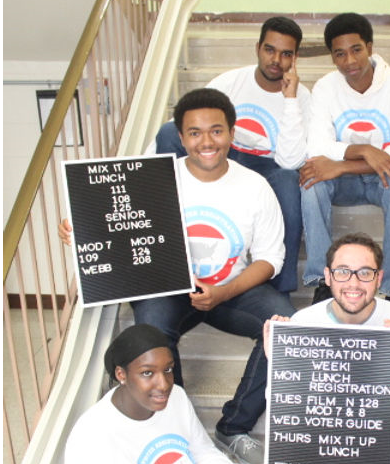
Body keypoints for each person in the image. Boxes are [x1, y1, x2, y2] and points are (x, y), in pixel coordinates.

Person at [60, 88, 295, 464]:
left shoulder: (255, 186)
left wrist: (222, 292)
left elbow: (271, 259)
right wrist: (83, 231)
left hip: (228, 289)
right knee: (150, 327)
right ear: (182, 137)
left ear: (231, 134)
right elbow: (117, 229)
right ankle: (172, 422)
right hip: (169, 288)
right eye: (195, 133)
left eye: (216, 131)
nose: (207, 141)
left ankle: (233, 427)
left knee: (285, 326)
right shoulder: (153, 181)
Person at [150, 16, 310, 297]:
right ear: (258, 47)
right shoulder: (231, 81)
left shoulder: (302, 97)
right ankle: (161, 222)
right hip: (227, 150)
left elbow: (291, 160)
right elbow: (192, 122)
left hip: (269, 164)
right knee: (166, 131)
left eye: (286, 54)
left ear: (295, 58)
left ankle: (279, 287)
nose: (276, 60)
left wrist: (290, 99)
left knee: (288, 181)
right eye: (270, 50)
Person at [264, 233, 390, 463]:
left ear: (379, 278)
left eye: (365, 273)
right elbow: (287, 413)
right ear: (327, 276)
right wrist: (279, 366)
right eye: (342, 272)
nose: (353, 283)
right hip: (312, 454)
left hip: (376, 455)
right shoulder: (303, 323)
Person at [299, 13, 390, 308]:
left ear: (370, 47)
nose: (349, 61)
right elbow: (317, 146)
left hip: (384, 178)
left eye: (356, 50)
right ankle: (321, 280)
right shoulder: (326, 87)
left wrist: (341, 163)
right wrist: (366, 150)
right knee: (310, 180)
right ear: (332, 57)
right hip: (344, 183)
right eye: (339, 54)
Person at [64, 324, 233, 463]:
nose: (164, 384)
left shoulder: (177, 396)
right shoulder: (91, 436)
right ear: (121, 374)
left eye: (167, 369)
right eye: (147, 373)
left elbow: (203, 452)